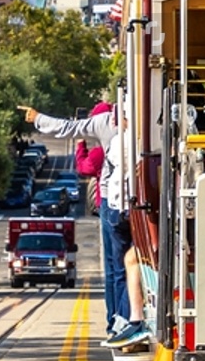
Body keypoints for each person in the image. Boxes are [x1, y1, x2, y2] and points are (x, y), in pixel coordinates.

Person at [20, 99, 133, 340]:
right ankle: (121, 321)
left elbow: (70, 131)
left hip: (111, 204)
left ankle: (117, 321)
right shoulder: (129, 128)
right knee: (125, 265)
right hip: (127, 202)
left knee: (117, 268)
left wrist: (38, 118)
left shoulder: (106, 127)